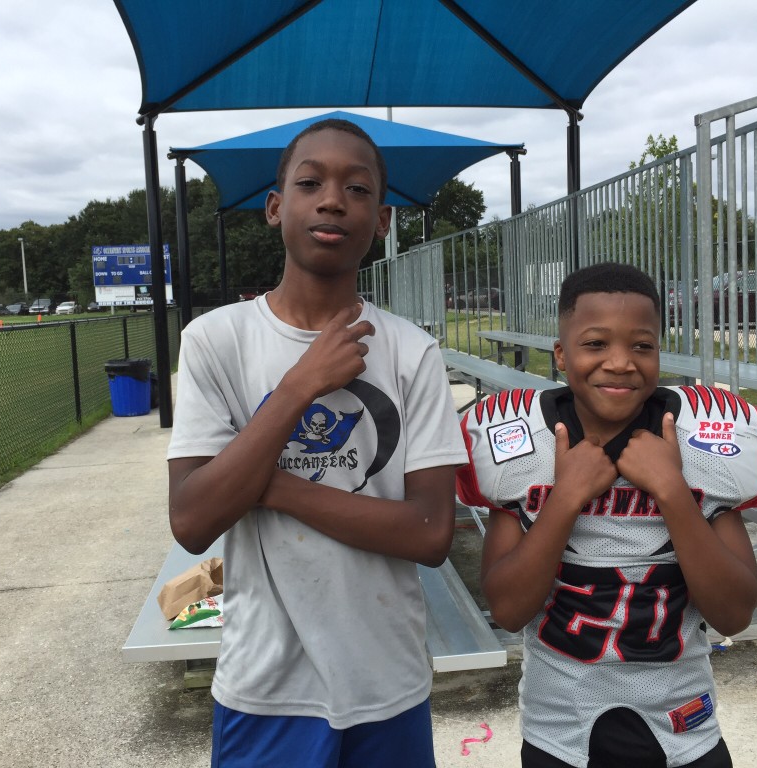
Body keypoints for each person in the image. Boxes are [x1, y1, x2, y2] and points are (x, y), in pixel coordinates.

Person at [166, 118, 467, 768]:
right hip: (263, 688)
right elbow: (192, 520)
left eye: (358, 189)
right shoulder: (215, 341)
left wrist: (268, 486)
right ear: (276, 208)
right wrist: (300, 386)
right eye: (310, 183)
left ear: (383, 219)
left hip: (387, 684)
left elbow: (429, 533)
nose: (333, 200)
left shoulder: (413, 353)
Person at [456, 262, 757, 768]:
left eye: (641, 346)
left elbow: (733, 614)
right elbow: (508, 609)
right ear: (562, 354)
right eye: (595, 344)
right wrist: (566, 498)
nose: (620, 363)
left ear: (658, 351)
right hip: (560, 728)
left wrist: (672, 490)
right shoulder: (519, 445)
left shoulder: (700, 442)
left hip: (683, 724)